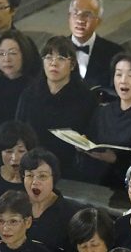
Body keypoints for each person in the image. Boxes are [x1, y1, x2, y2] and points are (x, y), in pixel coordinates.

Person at [74, 53, 131, 187]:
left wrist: (116, 159)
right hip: (94, 183)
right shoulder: (102, 111)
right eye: (119, 74)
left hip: (127, 188)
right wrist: (82, 146)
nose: (123, 80)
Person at [16, 36, 97, 178]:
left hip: (70, 168)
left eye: (61, 58)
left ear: (72, 65)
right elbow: (19, 130)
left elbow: (92, 135)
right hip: (34, 166)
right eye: (48, 57)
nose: (54, 63)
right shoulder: (29, 94)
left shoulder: (86, 97)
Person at [19, 147, 81, 252]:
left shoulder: (71, 214)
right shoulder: (15, 207)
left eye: (42, 176)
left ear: (54, 178)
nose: (34, 182)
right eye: (29, 175)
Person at [0, 29, 39, 133]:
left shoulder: (35, 89)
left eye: (13, 53)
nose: (7, 59)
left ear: (24, 54)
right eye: (1, 54)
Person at [68, 0, 123, 90]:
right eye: (75, 13)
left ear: (98, 21)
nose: (80, 20)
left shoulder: (115, 53)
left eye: (87, 15)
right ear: (69, 17)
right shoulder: (55, 50)